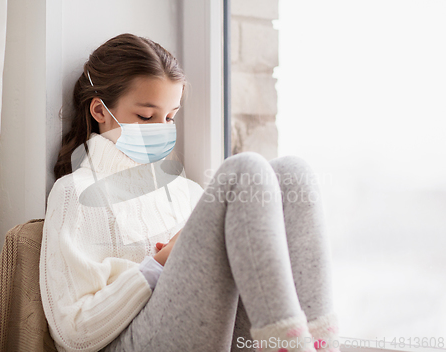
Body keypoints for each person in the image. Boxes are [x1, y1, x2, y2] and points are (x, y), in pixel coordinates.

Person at [40, 33, 341, 352]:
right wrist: (158, 264)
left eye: (170, 117)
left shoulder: (186, 192)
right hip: (125, 343)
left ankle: (320, 345)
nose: (162, 127)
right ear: (100, 112)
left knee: (293, 174)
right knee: (244, 170)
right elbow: (72, 331)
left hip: (206, 334)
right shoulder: (76, 192)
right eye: (146, 116)